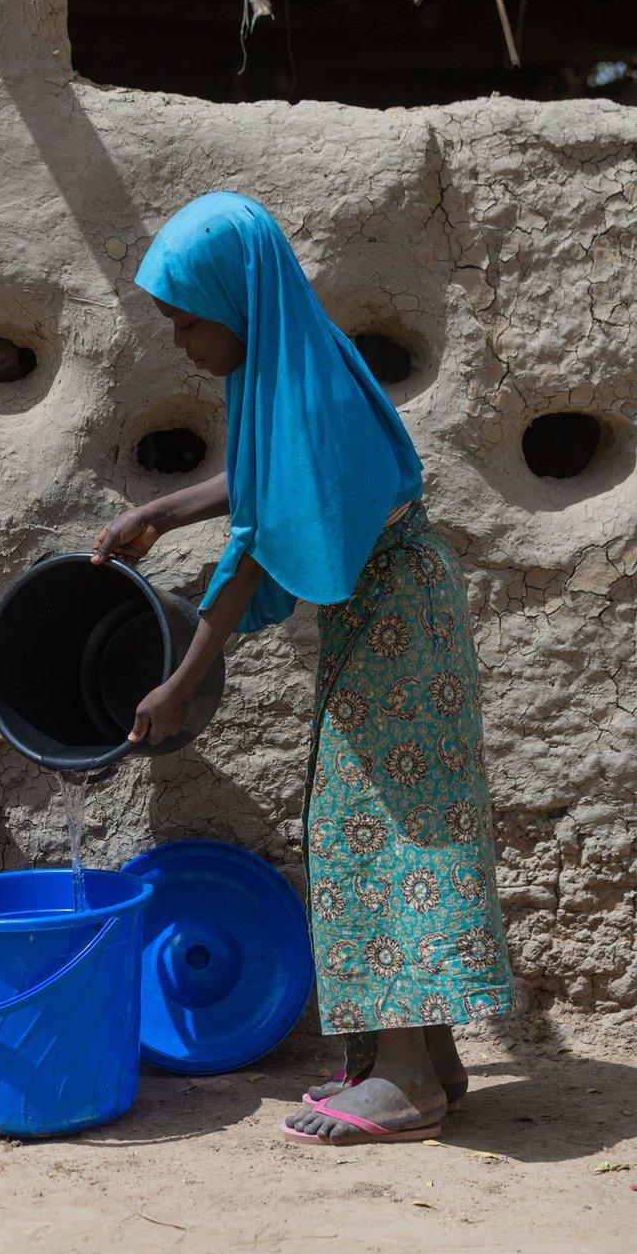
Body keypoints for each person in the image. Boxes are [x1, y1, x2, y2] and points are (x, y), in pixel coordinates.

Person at [91, 192, 514, 1147]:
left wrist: (182, 678)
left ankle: (404, 1080)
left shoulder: (305, 376)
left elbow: (251, 551)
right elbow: (260, 480)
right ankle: (425, 1059)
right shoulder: (290, 361)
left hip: (399, 615)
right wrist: (163, 511)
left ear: (238, 301)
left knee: (375, 827)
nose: (182, 342)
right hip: (390, 608)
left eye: (188, 321)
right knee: (377, 818)